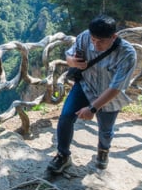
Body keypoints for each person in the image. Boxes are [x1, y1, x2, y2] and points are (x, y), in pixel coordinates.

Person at [48, 14, 137, 173]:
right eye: (93, 40)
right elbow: (69, 55)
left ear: (113, 37)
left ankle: (103, 151)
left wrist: (93, 109)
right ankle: (63, 155)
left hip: (108, 95)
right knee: (66, 117)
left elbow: (115, 88)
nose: (95, 45)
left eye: (101, 41)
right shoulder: (85, 37)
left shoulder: (127, 54)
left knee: (105, 128)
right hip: (85, 85)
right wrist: (73, 62)